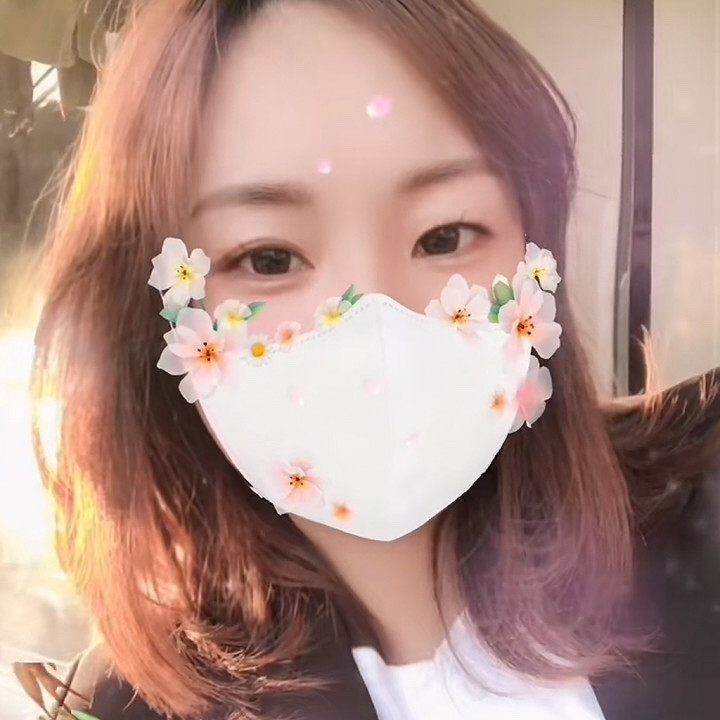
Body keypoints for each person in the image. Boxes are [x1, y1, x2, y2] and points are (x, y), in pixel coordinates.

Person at [24, 1, 720, 719]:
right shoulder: (126, 705)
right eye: (269, 258)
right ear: (157, 312)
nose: (374, 320)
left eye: (445, 236)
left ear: (538, 258)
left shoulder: (704, 513)